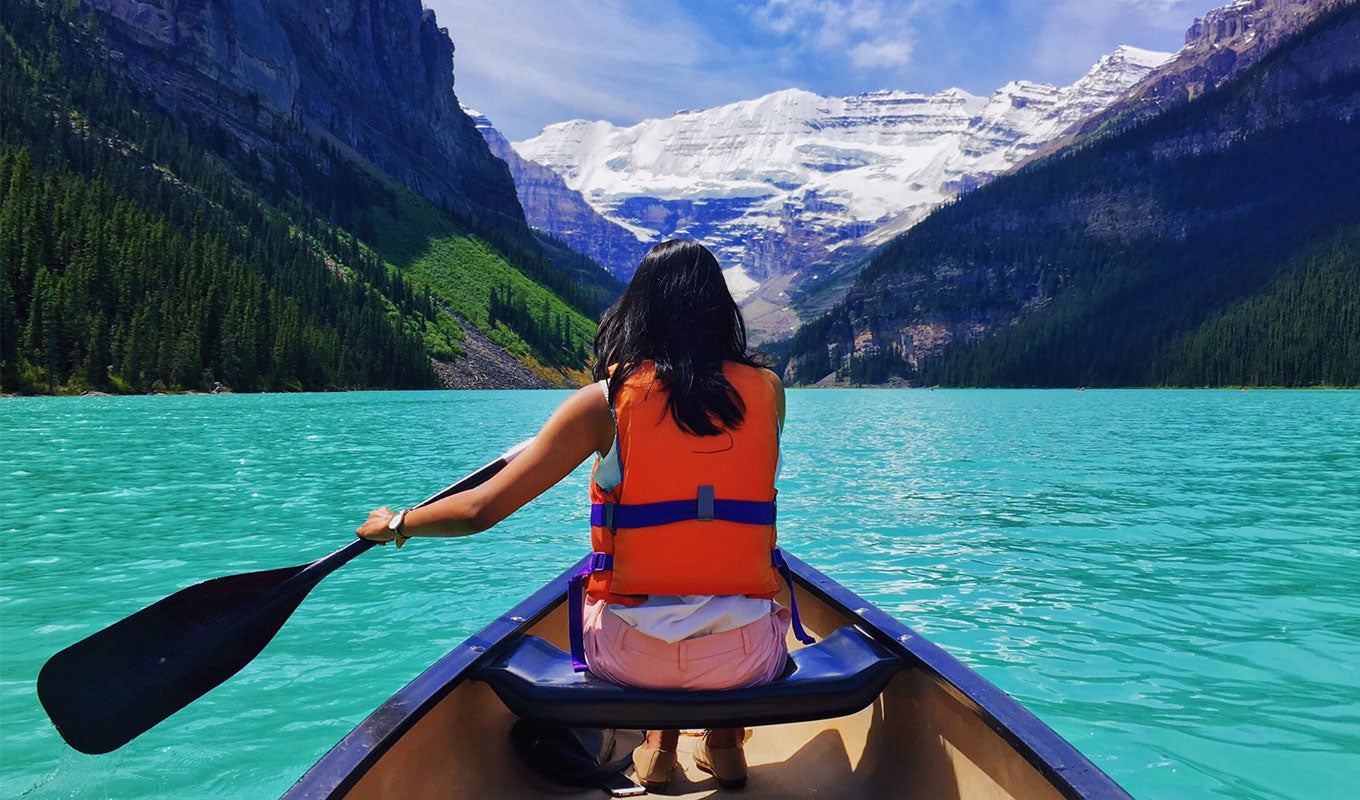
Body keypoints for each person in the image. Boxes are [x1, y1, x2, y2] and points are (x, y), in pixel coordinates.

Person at [357, 239, 795, 792]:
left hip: (634, 658)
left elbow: (480, 509)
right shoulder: (769, 392)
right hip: (744, 659)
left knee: (631, 607)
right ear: (719, 310)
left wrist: (397, 523)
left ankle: (658, 747)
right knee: (739, 602)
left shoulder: (606, 402)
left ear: (641, 308)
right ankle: (726, 744)